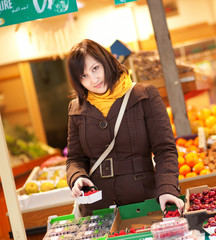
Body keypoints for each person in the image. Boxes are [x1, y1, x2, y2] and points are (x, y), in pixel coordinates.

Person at [66, 39, 184, 217]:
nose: (93, 79)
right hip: (99, 208)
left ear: (106, 61)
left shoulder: (144, 95)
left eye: (95, 68)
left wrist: (167, 188)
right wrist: (77, 177)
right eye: (84, 76)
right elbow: (75, 158)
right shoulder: (76, 108)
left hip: (143, 202)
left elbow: (165, 149)